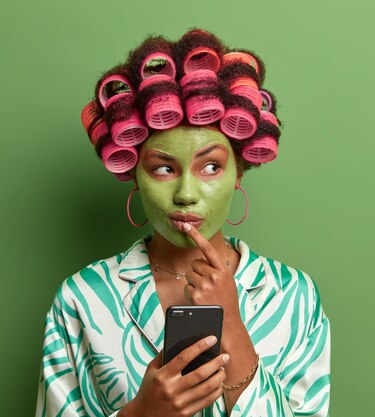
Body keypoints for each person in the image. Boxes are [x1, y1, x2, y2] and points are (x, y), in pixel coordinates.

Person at [35, 28, 331, 417]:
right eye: (162, 167)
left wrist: (235, 333)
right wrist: (142, 413)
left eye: (211, 166)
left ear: (238, 172)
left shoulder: (293, 297)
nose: (186, 193)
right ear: (134, 174)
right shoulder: (82, 299)